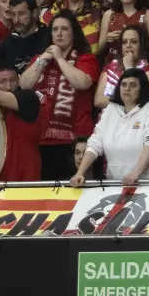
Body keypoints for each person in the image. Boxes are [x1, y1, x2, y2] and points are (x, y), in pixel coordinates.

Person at [19, 10, 98, 179]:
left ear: (74, 33)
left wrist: (60, 59)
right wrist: (42, 59)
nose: (59, 33)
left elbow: (82, 82)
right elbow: (24, 85)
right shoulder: (40, 59)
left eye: (64, 29)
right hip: (41, 139)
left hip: (75, 140)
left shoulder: (86, 58)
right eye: (55, 29)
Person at [72, 68, 149, 185]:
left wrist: (135, 173)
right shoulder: (111, 109)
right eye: (124, 84)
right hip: (117, 182)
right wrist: (80, 173)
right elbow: (95, 143)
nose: (127, 88)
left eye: (133, 85)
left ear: (142, 88)